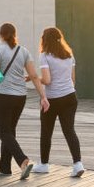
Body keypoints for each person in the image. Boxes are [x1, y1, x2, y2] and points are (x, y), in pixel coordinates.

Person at [0, 23, 50, 179]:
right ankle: (4, 168)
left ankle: (22, 161)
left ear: (1, 34)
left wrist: (0, 73)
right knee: (10, 131)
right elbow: (34, 76)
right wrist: (43, 97)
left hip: (4, 96)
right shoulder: (24, 52)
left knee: (4, 131)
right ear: (15, 34)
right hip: (20, 97)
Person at [35, 27, 85, 177]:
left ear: (45, 39)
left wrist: (34, 78)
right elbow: (73, 80)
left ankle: (44, 164)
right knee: (69, 130)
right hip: (70, 97)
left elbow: (47, 80)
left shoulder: (44, 56)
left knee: (46, 132)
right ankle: (78, 164)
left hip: (52, 99)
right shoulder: (69, 55)